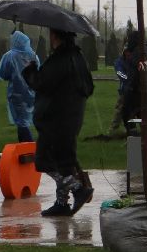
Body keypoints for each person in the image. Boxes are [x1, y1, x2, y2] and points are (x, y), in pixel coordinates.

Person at [24, 29, 95, 217]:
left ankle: (77, 189)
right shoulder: (78, 57)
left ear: (56, 37)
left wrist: (30, 70)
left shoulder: (60, 59)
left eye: (51, 35)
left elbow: (40, 83)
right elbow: (89, 86)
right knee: (64, 162)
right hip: (71, 119)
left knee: (44, 161)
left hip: (55, 120)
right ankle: (61, 203)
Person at [0, 31, 39, 143]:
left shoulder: (9, 56)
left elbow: (3, 73)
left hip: (16, 93)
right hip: (32, 92)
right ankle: (27, 147)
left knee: (21, 122)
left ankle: (28, 147)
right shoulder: (33, 55)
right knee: (27, 120)